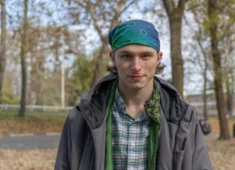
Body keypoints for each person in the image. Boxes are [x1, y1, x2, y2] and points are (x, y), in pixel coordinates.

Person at [55, 19, 213, 170]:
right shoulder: (81, 117)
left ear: (158, 58)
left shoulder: (183, 117)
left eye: (145, 56)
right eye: (126, 56)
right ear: (113, 58)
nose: (136, 66)